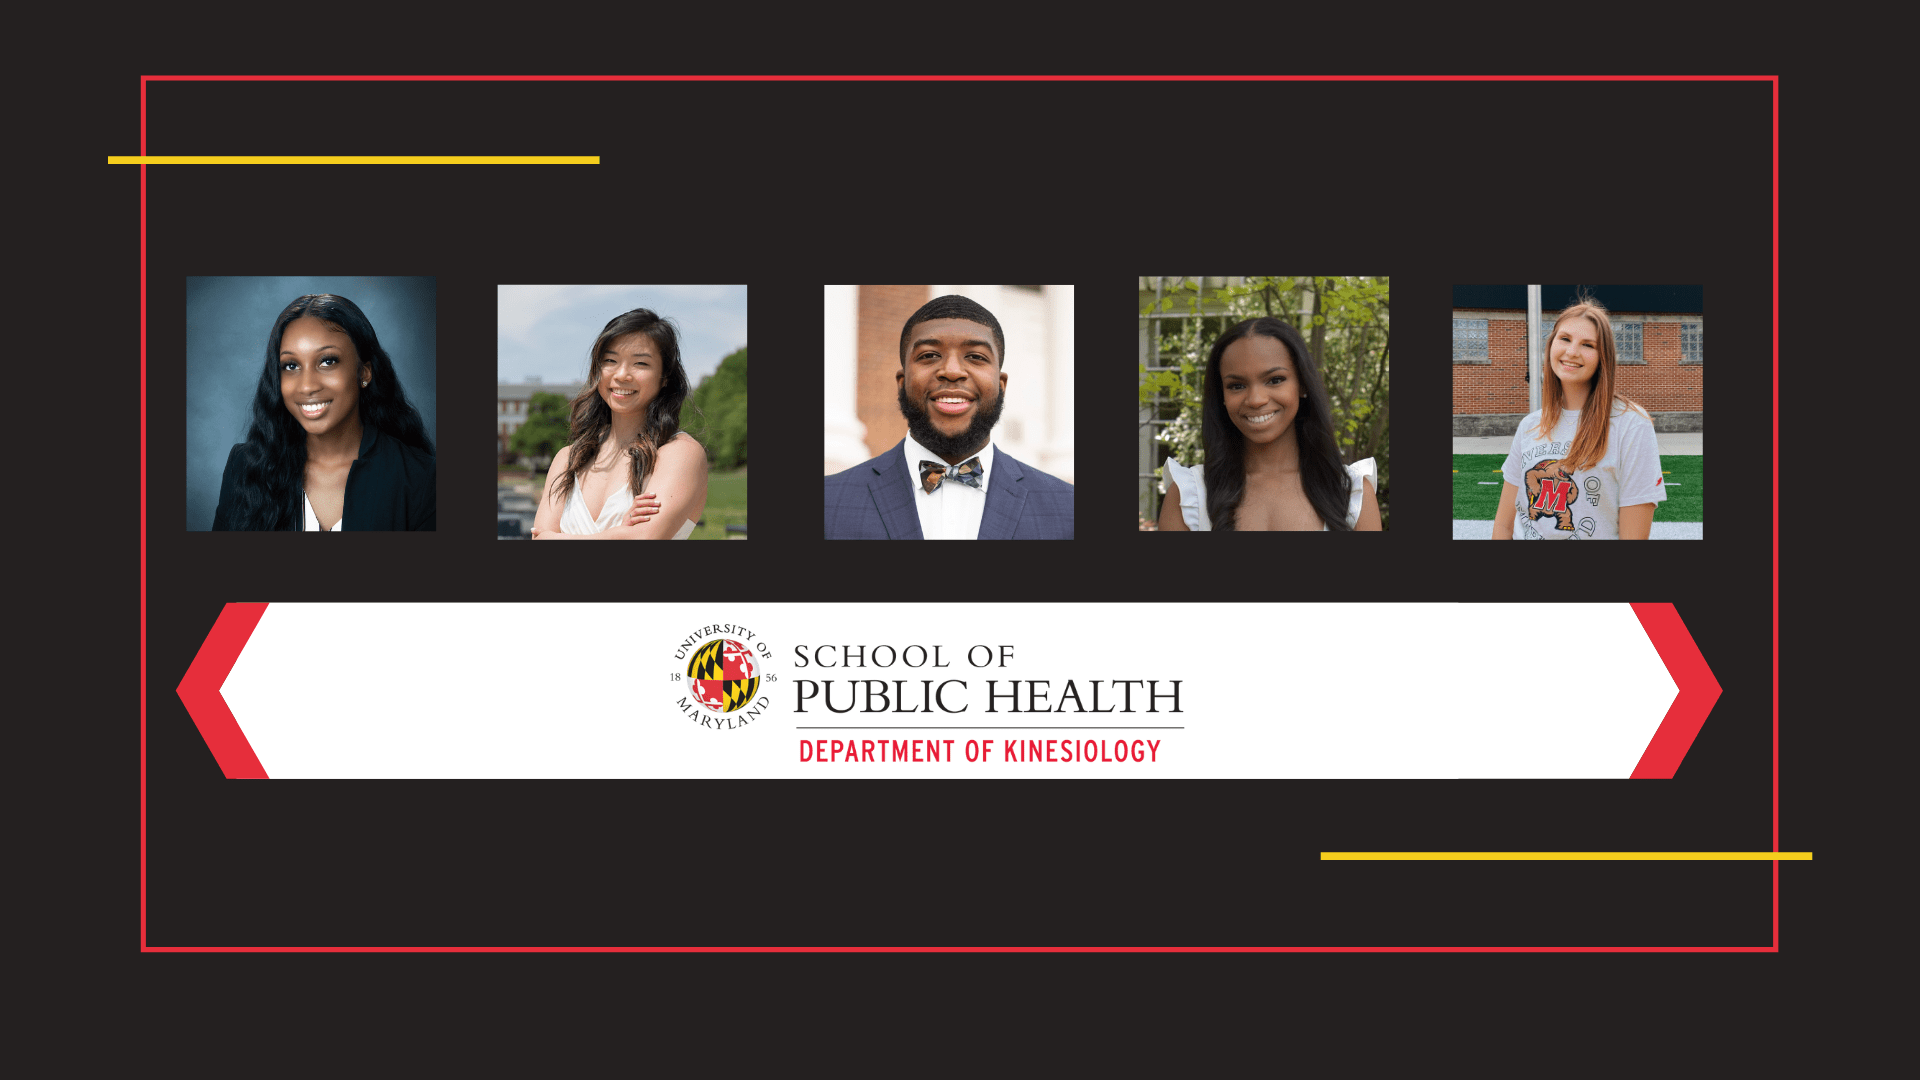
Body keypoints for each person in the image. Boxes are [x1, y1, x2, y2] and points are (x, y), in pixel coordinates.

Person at [824, 294, 1074, 539]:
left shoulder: (1067, 509)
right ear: (902, 383)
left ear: (1001, 385)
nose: (952, 371)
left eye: (975, 357)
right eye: (929, 355)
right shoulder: (830, 502)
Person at [212, 294, 436, 530]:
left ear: (364, 373)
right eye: (291, 366)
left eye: (327, 361)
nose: (307, 386)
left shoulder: (422, 479)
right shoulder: (246, 467)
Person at [1157, 316, 1380, 531]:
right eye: (1236, 385)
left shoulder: (1352, 494)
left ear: (1302, 385)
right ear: (1221, 396)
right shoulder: (1189, 495)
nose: (1256, 400)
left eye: (1275, 380)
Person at [1491, 298, 1665, 540]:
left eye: (1588, 345)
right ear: (1551, 344)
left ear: (1603, 357)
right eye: (1565, 339)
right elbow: (1503, 527)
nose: (1572, 352)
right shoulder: (1530, 426)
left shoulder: (1632, 425)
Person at [529, 308, 707, 539]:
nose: (622, 374)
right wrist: (618, 534)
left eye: (640, 364)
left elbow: (644, 538)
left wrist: (554, 538)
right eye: (610, 360)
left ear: (665, 377)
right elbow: (537, 538)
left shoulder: (680, 453)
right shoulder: (567, 459)